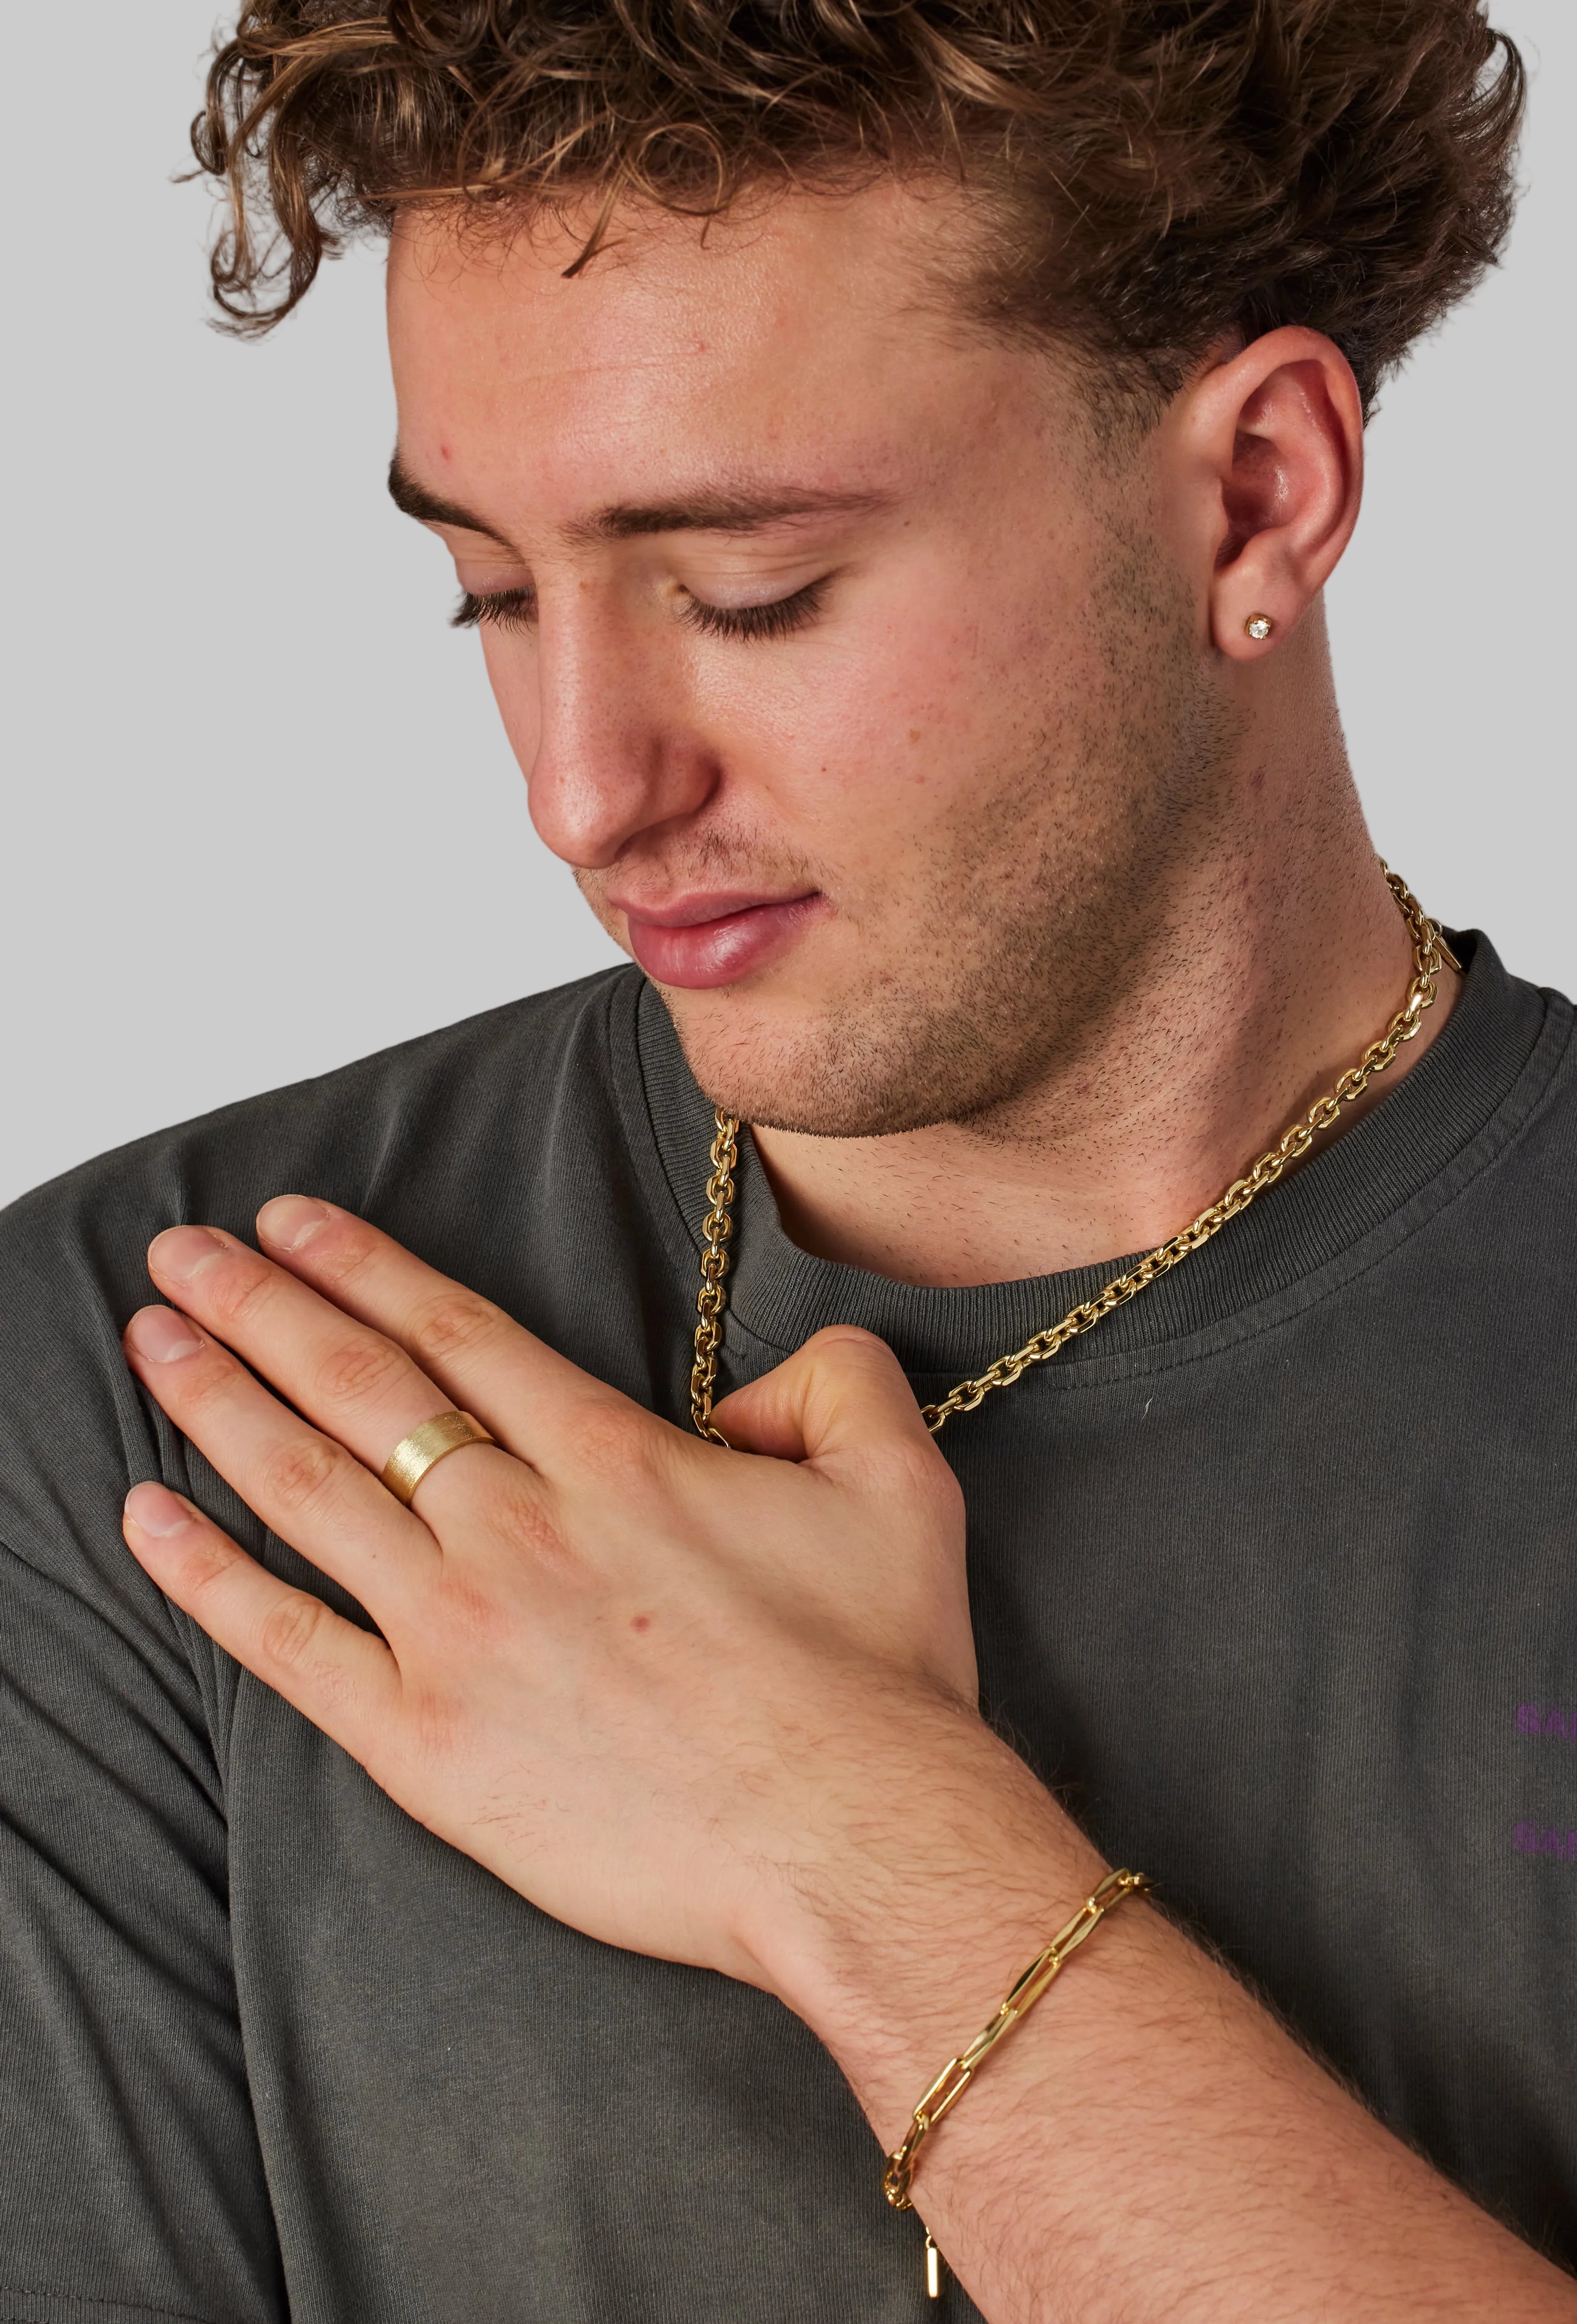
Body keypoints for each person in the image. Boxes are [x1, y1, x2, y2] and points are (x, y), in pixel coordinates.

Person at [0, 2, 1571, 2319]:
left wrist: (863, 1847)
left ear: (1255, 492)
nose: (579, 791)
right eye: (495, 593)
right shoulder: (166, 1390)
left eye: (749, 591)